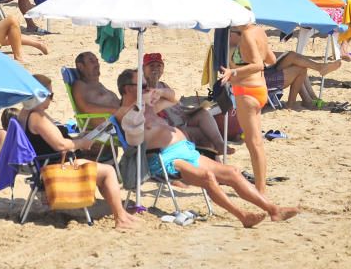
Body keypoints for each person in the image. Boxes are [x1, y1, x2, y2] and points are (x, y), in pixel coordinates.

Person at [115, 69, 299, 226]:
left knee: (233, 172)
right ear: (127, 89)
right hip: (163, 159)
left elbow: (174, 98)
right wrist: (143, 101)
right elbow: (130, 120)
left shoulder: (149, 107)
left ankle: (273, 209)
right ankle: (242, 215)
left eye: (147, 85)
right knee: (207, 177)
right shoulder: (123, 112)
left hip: (185, 151)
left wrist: (159, 93)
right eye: (143, 86)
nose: (147, 89)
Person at [17, 75, 139, 230]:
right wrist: (81, 143)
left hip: (50, 160)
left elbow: (50, 140)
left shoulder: (26, 113)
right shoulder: (37, 117)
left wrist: (78, 138)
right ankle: (120, 217)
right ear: (39, 95)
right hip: (57, 163)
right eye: (50, 95)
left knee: (101, 170)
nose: (52, 100)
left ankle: (120, 212)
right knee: (108, 171)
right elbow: (60, 145)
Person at [219, 0, 275, 191]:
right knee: (256, 142)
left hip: (247, 92)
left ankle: (260, 190)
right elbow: (271, 59)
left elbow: (259, 64)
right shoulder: (259, 31)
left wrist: (233, 72)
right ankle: (261, 187)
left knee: (254, 144)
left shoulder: (248, 36)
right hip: (259, 90)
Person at [142, 53, 227, 152]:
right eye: (151, 66)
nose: (155, 69)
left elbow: (174, 96)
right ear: (143, 68)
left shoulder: (162, 85)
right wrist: (158, 90)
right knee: (202, 135)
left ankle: (220, 144)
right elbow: (152, 108)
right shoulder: (141, 87)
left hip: (181, 117)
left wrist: (162, 92)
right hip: (169, 126)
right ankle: (204, 159)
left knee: (203, 114)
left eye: (159, 66)